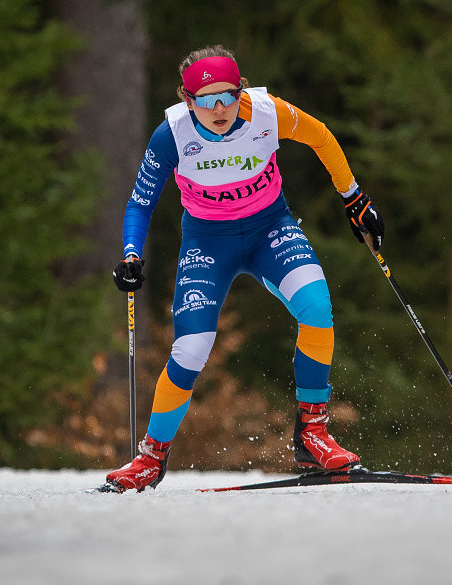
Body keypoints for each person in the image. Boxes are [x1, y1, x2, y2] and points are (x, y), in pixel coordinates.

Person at [102, 46, 384, 492]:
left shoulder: (268, 113)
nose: (219, 109)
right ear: (187, 99)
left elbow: (321, 137)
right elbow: (141, 202)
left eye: (227, 97)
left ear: (241, 91)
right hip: (208, 242)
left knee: (317, 308)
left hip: (270, 229)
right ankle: (151, 459)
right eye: (206, 100)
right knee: (191, 348)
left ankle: (312, 435)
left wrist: (353, 197)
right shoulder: (171, 135)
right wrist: (132, 254)